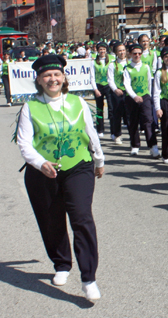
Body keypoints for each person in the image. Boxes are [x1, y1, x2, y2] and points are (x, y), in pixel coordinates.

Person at [16, 55, 104, 300]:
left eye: (56, 74)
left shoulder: (77, 102)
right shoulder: (30, 107)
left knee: (81, 218)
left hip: (78, 167)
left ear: (64, 78)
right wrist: (39, 163)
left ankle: (89, 278)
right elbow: (24, 143)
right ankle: (62, 264)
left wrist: (99, 161)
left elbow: (90, 133)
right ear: (39, 80)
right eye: (47, 75)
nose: (52, 79)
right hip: (43, 172)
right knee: (52, 221)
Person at [123, 43, 157, 156]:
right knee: (133, 122)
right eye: (134, 53)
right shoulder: (127, 69)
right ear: (130, 54)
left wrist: (148, 96)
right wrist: (134, 96)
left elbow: (149, 82)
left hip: (145, 96)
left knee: (148, 121)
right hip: (132, 98)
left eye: (139, 53)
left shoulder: (146, 67)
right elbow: (126, 85)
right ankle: (135, 145)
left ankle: (153, 146)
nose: (137, 55)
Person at [90, 42, 113, 138]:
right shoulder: (93, 62)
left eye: (104, 49)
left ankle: (113, 131)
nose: (102, 51)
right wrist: (95, 89)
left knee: (111, 108)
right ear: (97, 50)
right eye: (100, 49)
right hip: (99, 86)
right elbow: (92, 77)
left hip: (109, 85)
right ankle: (100, 130)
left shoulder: (111, 60)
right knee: (99, 109)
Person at [107, 42, 127, 146]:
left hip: (129, 92)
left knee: (130, 115)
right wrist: (115, 90)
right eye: (119, 50)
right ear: (115, 52)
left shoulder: (130, 62)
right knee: (117, 115)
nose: (122, 52)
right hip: (117, 92)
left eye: (123, 50)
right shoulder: (112, 65)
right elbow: (110, 80)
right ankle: (117, 135)